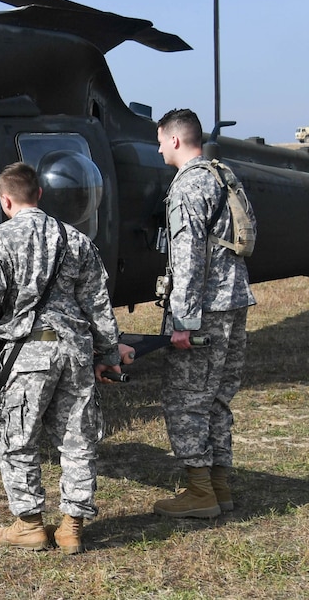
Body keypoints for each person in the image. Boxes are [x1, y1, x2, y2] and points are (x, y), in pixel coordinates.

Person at [0, 162, 126, 554]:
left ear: (5, 200)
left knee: (18, 437)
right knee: (77, 439)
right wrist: (107, 353)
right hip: (74, 351)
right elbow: (98, 304)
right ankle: (72, 526)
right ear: (40, 194)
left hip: (25, 354)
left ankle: (30, 524)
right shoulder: (76, 240)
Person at [153, 108, 255, 518]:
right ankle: (219, 486)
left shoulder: (189, 186)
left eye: (160, 139)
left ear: (175, 140)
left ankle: (199, 491)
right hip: (234, 300)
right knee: (216, 398)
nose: (158, 147)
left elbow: (189, 257)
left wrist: (183, 322)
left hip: (205, 309)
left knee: (186, 398)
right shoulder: (221, 175)